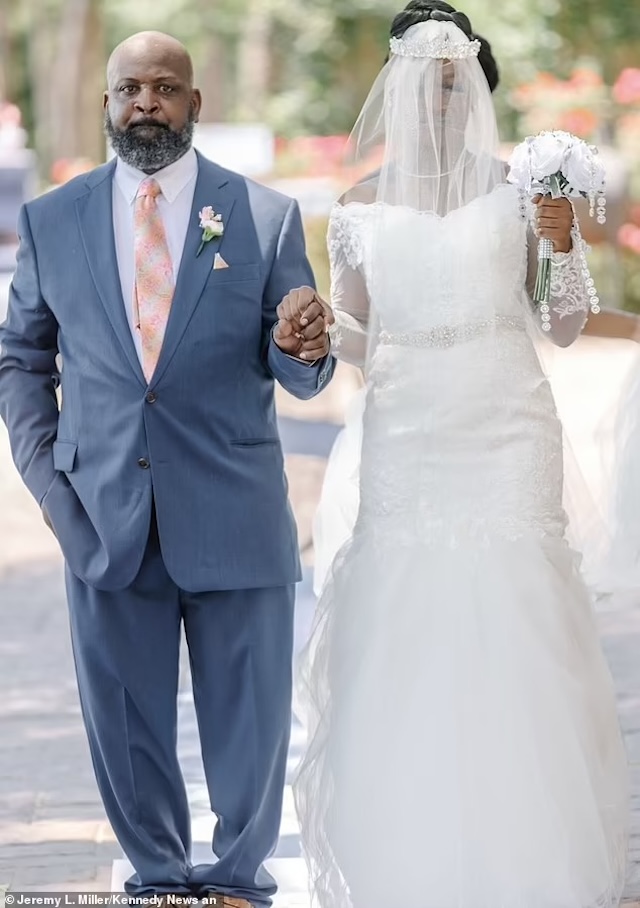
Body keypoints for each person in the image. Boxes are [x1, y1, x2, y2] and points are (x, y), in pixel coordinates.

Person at [293, 4, 630, 908]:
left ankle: (531, 856)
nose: (441, 99)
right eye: (425, 82)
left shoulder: (523, 189)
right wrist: (324, 332)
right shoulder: (358, 207)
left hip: (507, 421)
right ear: (397, 89)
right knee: (411, 618)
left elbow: (562, 325)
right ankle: (418, 852)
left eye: (457, 82)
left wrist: (563, 245)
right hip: (409, 430)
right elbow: (361, 335)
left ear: (476, 85)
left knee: (521, 611)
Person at [0, 31, 335, 908]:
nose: (146, 102)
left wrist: (303, 340)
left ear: (195, 104)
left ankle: (234, 885)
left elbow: (299, 365)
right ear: (107, 104)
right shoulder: (52, 219)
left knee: (250, 726)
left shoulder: (263, 217)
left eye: (165, 87)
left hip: (235, 514)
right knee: (126, 725)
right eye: (128, 88)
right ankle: (154, 881)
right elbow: (21, 362)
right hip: (102, 518)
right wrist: (50, 486)